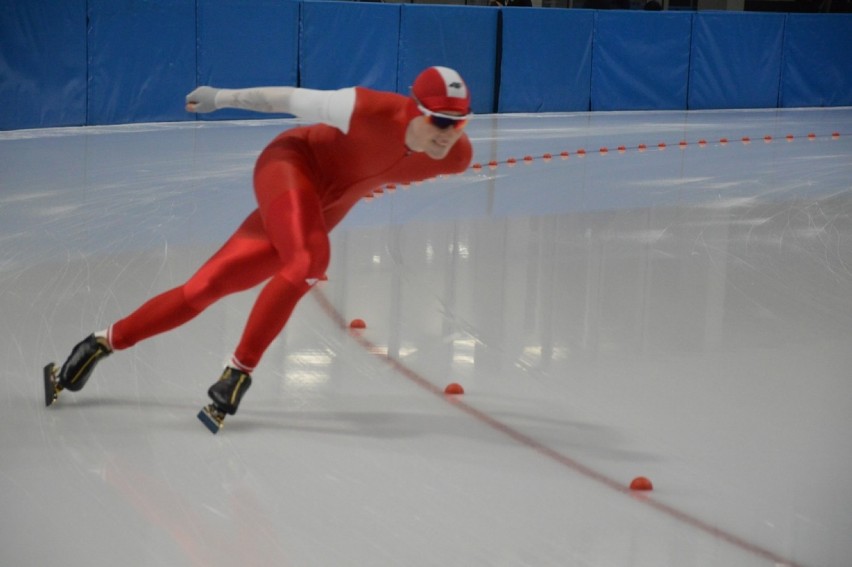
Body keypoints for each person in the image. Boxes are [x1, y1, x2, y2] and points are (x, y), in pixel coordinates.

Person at [44, 66, 474, 431]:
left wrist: (371, 184)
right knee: (309, 261)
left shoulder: (456, 157)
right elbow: (284, 98)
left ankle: (101, 342)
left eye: (460, 123)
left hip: (323, 207)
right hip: (290, 166)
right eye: (440, 121)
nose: (449, 134)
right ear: (415, 111)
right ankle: (238, 373)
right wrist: (220, 97)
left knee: (203, 289)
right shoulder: (365, 107)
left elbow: (385, 166)